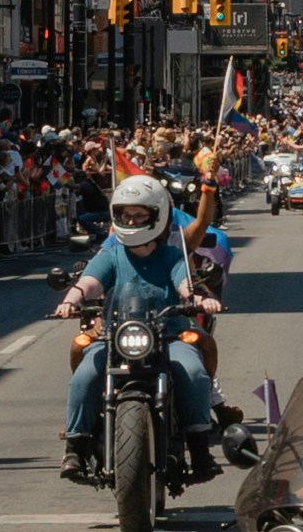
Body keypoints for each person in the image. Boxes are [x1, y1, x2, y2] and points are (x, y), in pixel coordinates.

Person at [59, 170, 222, 476]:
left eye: (139, 215)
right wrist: (71, 300)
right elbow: (89, 282)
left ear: (157, 216)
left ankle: (200, 449)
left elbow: (184, 283)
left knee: (194, 372)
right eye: (126, 215)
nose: (131, 221)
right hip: (115, 336)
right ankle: (75, 447)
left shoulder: (172, 255)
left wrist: (198, 298)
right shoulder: (111, 254)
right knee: (84, 376)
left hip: (169, 335)